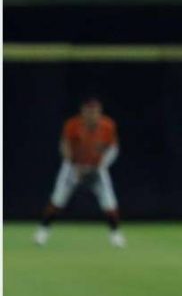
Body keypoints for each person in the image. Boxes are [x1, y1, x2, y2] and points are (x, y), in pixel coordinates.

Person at [34, 96, 126, 248]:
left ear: (100, 112)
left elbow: (113, 148)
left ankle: (116, 235)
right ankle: (42, 232)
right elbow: (65, 146)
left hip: (97, 168)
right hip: (73, 167)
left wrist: (101, 165)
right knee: (57, 200)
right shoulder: (72, 124)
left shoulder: (108, 125)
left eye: (95, 111)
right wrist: (73, 165)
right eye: (89, 111)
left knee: (109, 202)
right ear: (82, 112)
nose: (92, 114)